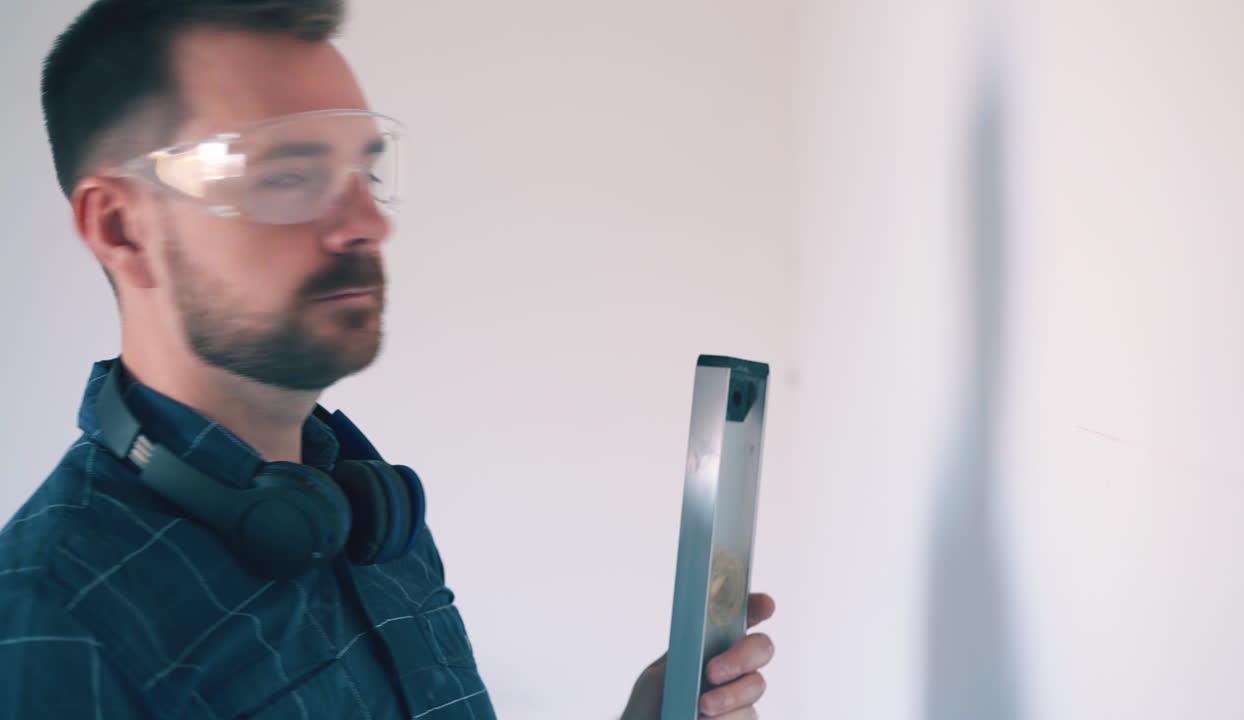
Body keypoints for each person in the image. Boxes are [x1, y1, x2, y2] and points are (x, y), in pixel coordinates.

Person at [0, 0, 776, 717]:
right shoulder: (53, 630)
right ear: (121, 228)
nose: (368, 221)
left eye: (365, 172)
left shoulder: (363, 513)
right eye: (287, 176)